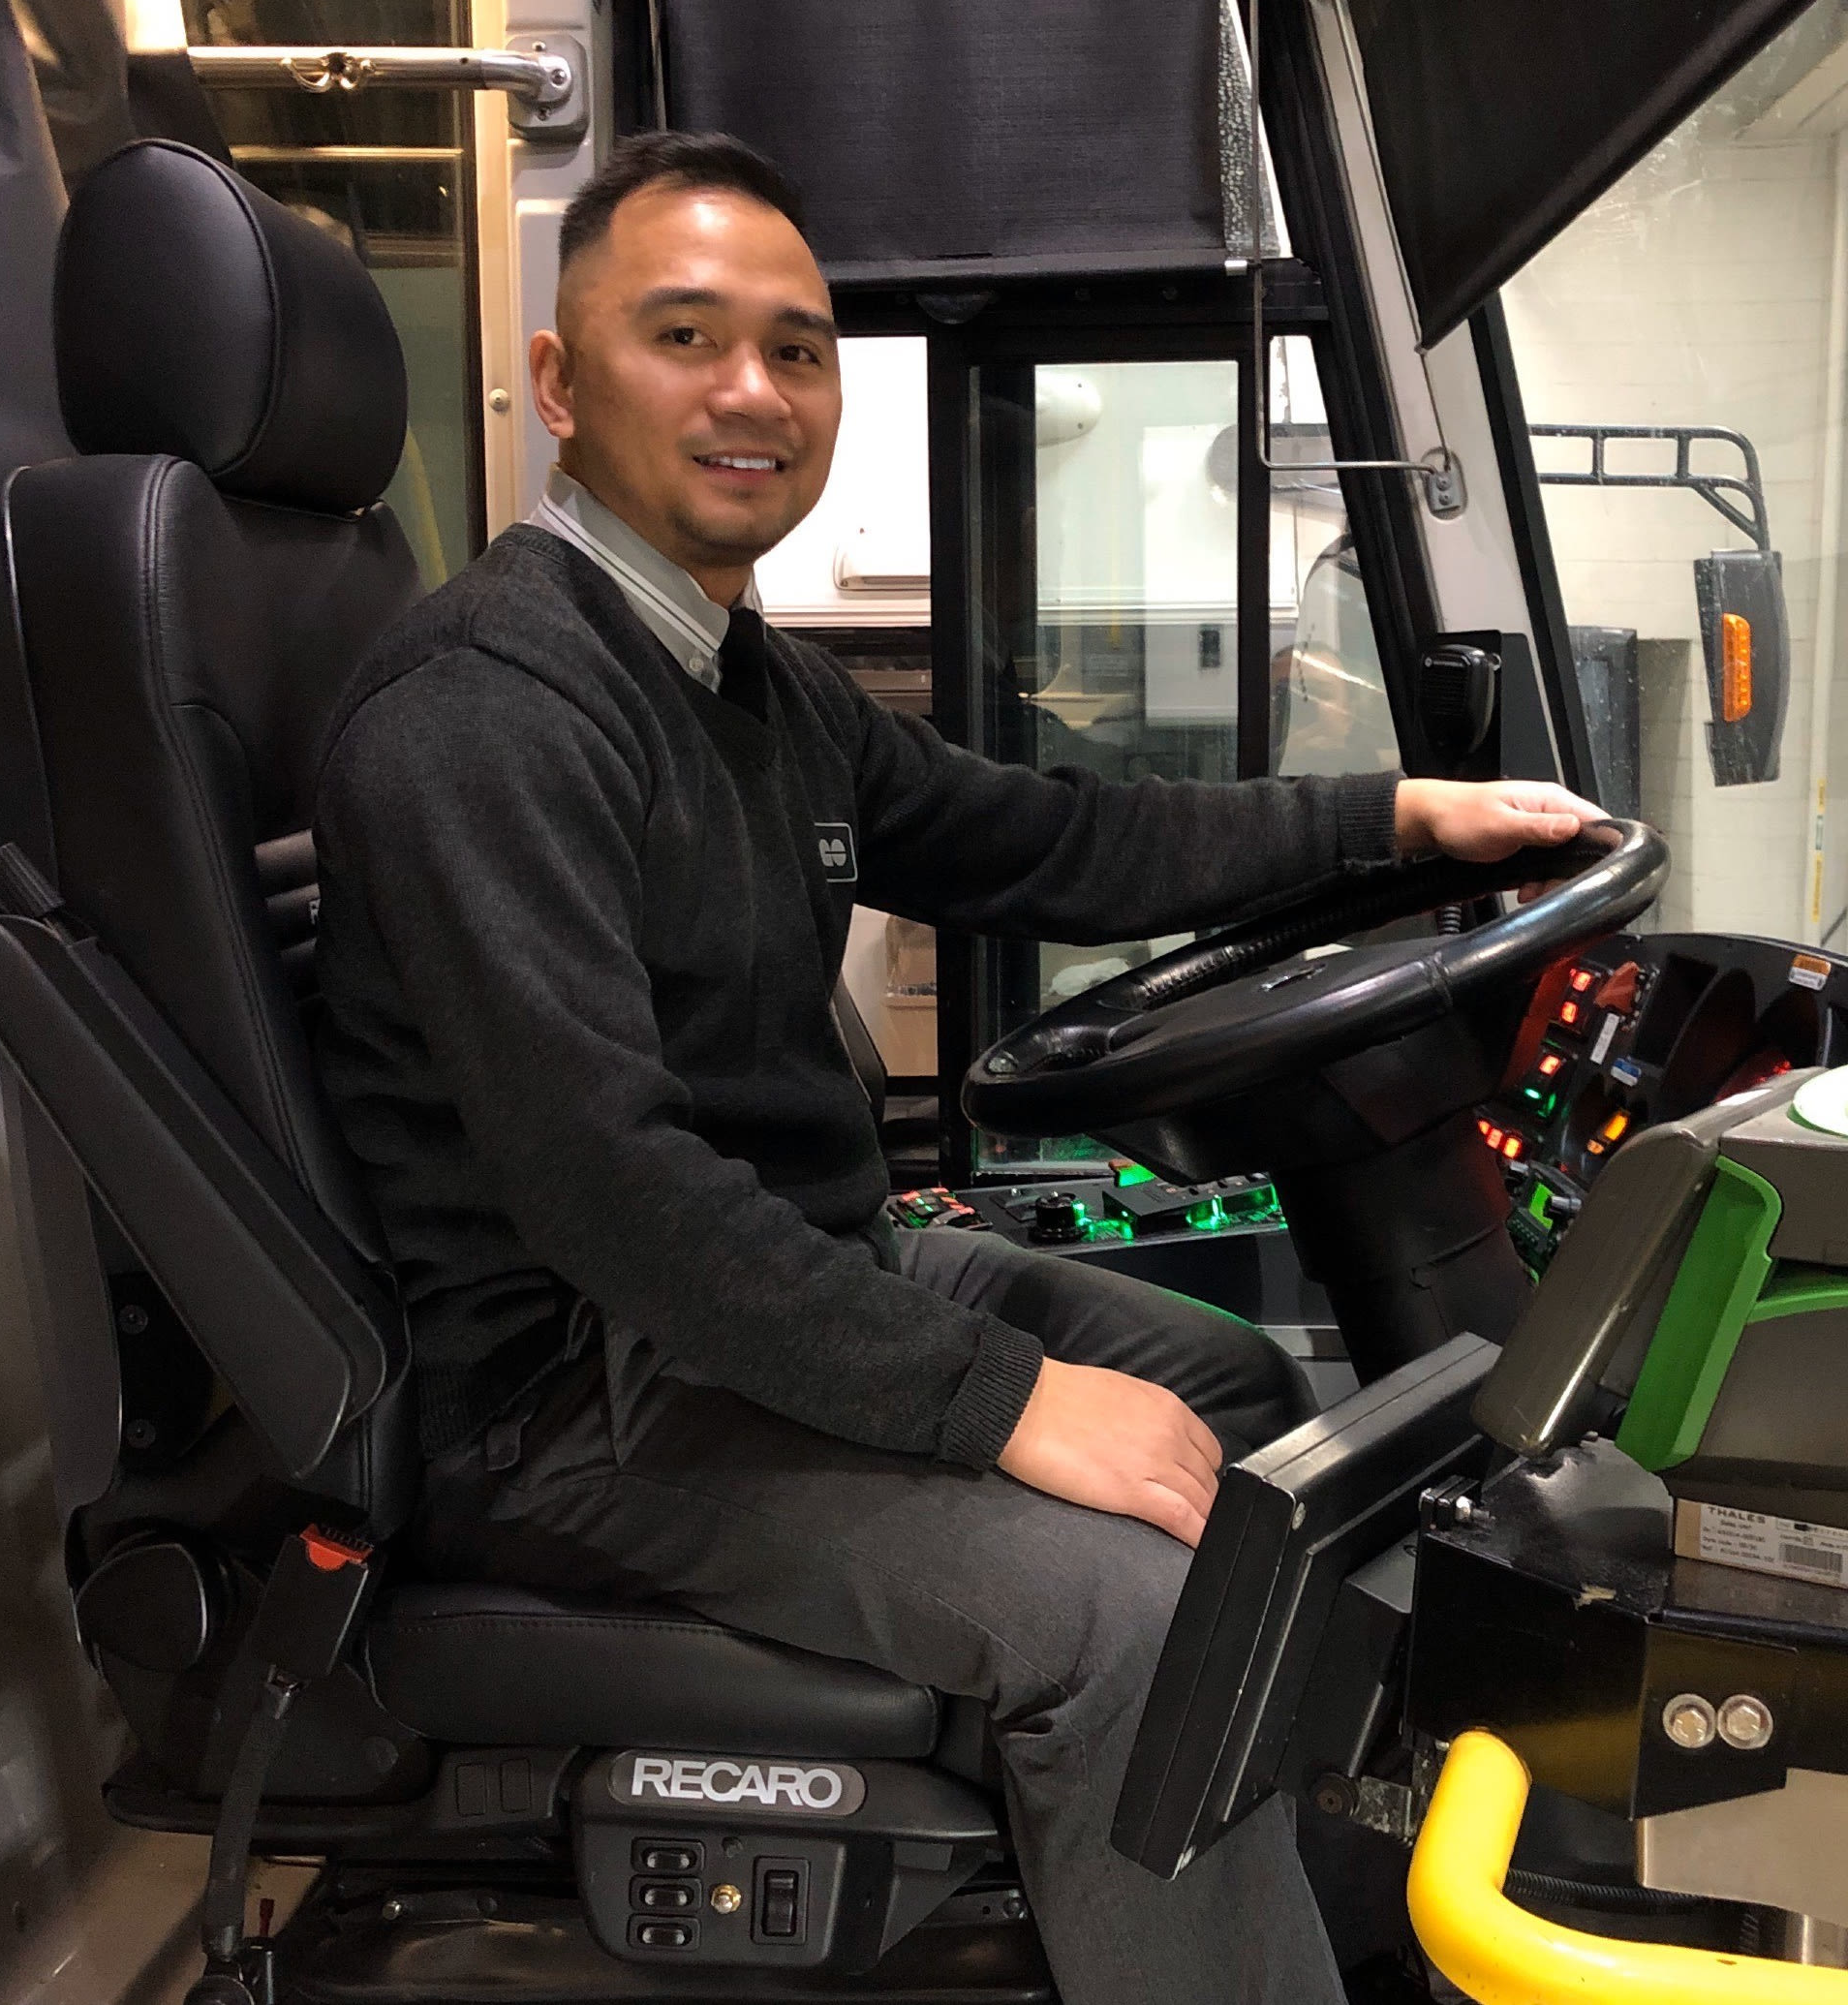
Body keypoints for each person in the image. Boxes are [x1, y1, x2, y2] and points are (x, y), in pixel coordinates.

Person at [312, 130, 1599, 2005]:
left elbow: (1056, 839)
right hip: (577, 1395)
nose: (754, 390)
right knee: (1141, 1605)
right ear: (563, 386)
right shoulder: (484, 716)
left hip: (782, 1278)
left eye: (798, 347)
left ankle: (1239, 1893)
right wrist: (1006, 1402)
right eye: (687, 337)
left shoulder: (749, 684)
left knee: (1235, 1386)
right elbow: (613, 1190)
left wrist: (1396, 816)